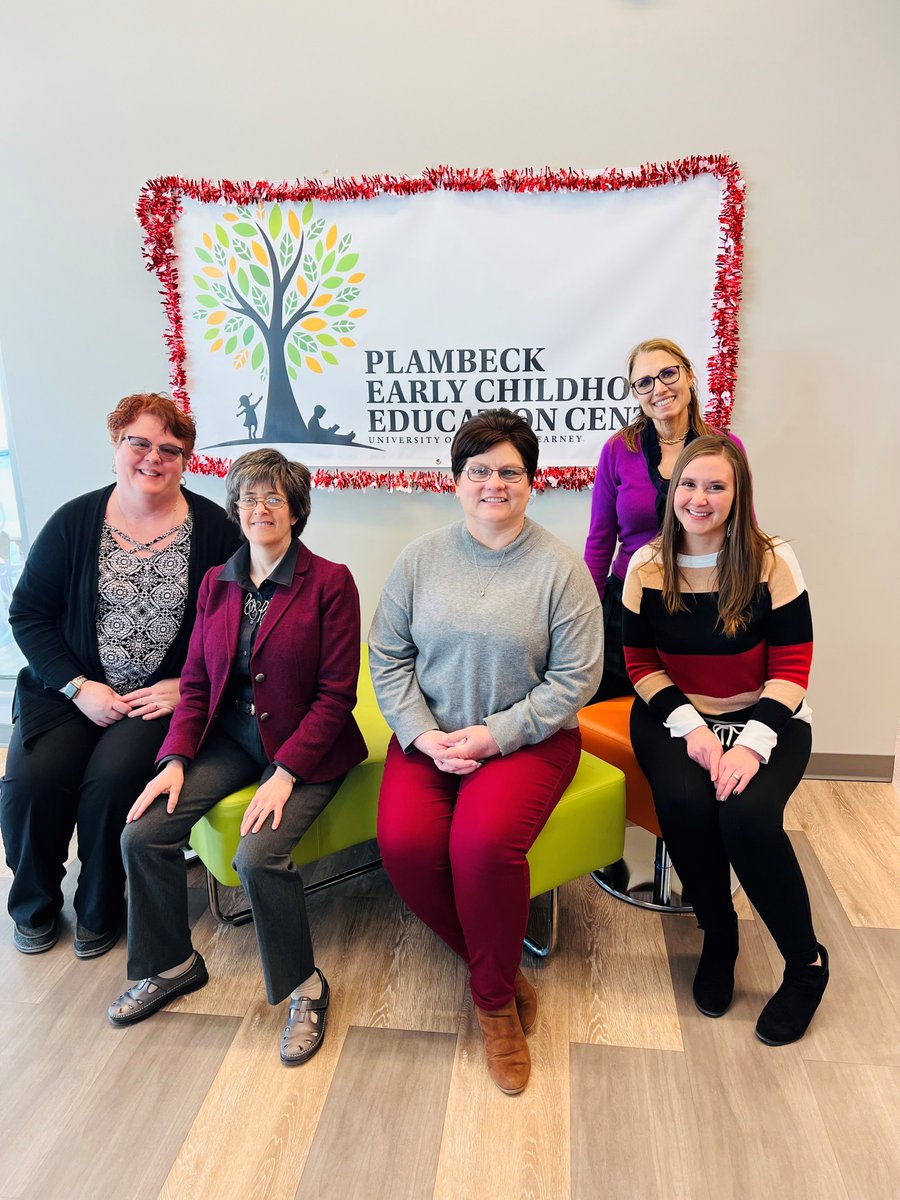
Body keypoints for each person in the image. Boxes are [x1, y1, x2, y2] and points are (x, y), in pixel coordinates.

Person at [368, 409, 603, 1094]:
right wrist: (422, 733)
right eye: (479, 471)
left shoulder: (561, 570)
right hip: (431, 736)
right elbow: (388, 655)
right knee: (405, 847)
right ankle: (495, 967)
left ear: (531, 482)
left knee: (480, 848)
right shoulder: (419, 560)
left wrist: (494, 735)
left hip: (528, 741)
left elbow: (576, 680)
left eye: (509, 471)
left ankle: (494, 1004)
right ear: (456, 480)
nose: (493, 484)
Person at [107, 449, 367, 1067]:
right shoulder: (216, 583)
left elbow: (337, 697)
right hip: (231, 740)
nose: (259, 509)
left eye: (274, 498)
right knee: (142, 834)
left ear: (297, 510)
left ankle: (306, 987)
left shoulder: (331, 581)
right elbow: (197, 685)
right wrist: (175, 758)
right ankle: (173, 964)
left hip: (307, 747)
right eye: (248, 498)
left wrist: (286, 773)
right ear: (236, 509)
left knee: (257, 856)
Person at [2, 393, 240, 958]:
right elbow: (28, 614)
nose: (153, 457)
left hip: (155, 701)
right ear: (116, 448)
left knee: (110, 785)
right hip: (67, 692)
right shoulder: (74, 522)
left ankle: (100, 907)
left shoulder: (216, 530)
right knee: (33, 782)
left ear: (185, 461)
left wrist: (189, 684)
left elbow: (241, 627)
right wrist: (78, 687)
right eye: (139, 442)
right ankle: (34, 902)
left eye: (169, 449)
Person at [623, 436, 828, 1046]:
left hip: (767, 717)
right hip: (673, 714)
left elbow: (791, 669)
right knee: (685, 805)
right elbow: (640, 664)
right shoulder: (647, 565)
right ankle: (720, 934)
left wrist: (749, 744)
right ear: (672, 492)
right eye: (689, 484)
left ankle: (807, 965)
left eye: (716, 486)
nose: (700, 498)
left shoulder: (772, 560)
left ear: (739, 495)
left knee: (746, 818)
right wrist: (693, 728)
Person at [584, 338, 745, 700]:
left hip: (705, 601)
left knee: (694, 708)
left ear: (688, 375)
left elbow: (742, 530)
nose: (659, 388)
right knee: (609, 708)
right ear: (636, 393)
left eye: (668, 374)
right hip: (629, 602)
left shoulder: (725, 448)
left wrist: (743, 599)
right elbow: (600, 540)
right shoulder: (618, 449)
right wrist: (587, 615)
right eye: (644, 382)